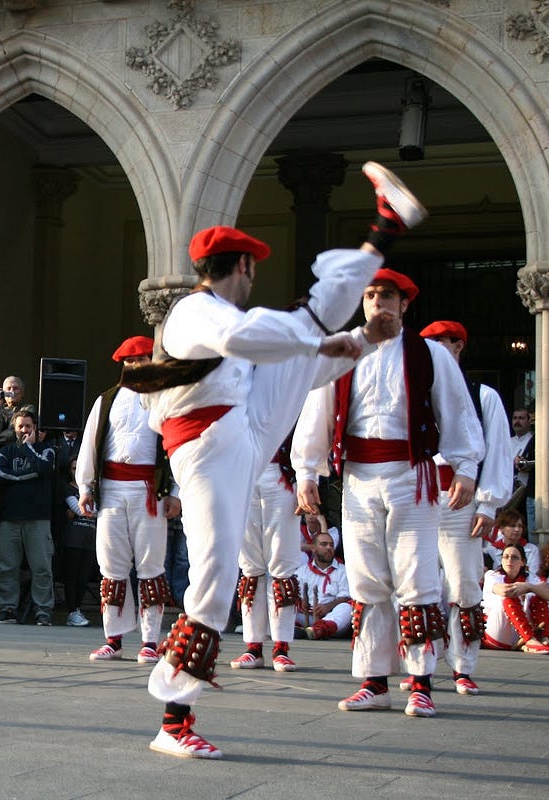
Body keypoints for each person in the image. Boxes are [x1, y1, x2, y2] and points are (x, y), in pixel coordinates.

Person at [126, 161, 422, 759]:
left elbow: (294, 354)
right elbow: (243, 339)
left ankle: (383, 229)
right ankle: (173, 721)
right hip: (208, 449)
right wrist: (318, 343)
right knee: (211, 580)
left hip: (241, 433)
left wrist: (357, 340)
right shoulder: (194, 311)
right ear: (243, 266)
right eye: (252, 270)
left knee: (306, 322)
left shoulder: (234, 318)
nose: (255, 277)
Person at [294, 269, 484, 720]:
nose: (378, 302)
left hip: (411, 475)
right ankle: (374, 682)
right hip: (358, 477)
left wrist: (467, 468)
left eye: (388, 296)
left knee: (417, 575)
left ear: (404, 305)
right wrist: (305, 471)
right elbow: (317, 410)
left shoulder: (431, 354)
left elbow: (456, 414)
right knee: (365, 577)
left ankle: (420, 684)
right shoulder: (344, 352)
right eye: (371, 295)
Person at [407, 320, 512, 696]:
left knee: (464, 581)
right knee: (417, 582)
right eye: (429, 344)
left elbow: (499, 451)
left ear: (459, 347)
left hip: (461, 499)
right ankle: (420, 665)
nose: (436, 351)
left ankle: (463, 666)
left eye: (443, 344)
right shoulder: (412, 396)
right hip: (416, 497)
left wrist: (488, 505)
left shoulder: (482, 396)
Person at [76, 335, 177, 663]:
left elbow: (178, 449)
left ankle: (150, 641)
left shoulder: (166, 399)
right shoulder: (107, 400)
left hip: (149, 491)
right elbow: (91, 444)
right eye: (131, 361)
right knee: (112, 565)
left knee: (151, 566)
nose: (137, 365)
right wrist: (86, 488)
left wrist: (177, 494)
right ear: (123, 365)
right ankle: (114, 639)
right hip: (113, 490)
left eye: (143, 359)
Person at [229, 436, 303, 672]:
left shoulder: (291, 396)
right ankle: (253, 646)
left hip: (282, 471)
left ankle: (281, 647)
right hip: (244, 472)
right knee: (250, 562)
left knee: (282, 559)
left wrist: (308, 477)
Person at [0, 409, 57, 626]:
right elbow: (0, 475)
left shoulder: (47, 451)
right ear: (14, 429)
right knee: (7, 566)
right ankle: (7, 609)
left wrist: (28, 449)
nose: (24, 430)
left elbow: (44, 469)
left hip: (38, 518)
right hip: (10, 517)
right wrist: (29, 477)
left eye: (28, 426)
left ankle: (43, 611)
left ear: (35, 428)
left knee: (41, 567)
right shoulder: (4, 453)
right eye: (20, 426)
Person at [480, 543, 549, 654]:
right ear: (501, 560)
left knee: (539, 597)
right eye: (506, 557)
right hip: (497, 633)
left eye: (514, 557)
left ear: (523, 562)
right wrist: (526, 587)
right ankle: (530, 641)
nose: (509, 560)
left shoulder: (530, 578)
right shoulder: (493, 575)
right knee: (508, 598)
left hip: (519, 632)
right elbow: (503, 591)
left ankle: (544, 639)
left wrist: (529, 586)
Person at [59, 458, 96, 626]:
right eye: (74, 468)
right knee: (71, 576)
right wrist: (88, 510)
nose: (76, 471)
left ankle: (78, 609)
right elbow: (79, 509)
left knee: (83, 577)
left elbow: (98, 510)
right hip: (72, 539)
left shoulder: (95, 490)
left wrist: (87, 511)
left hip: (90, 538)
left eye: (79, 467)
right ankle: (71, 611)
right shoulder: (67, 488)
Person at [295, 531, 352, 639]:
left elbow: (346, 596)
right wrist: (300, 602)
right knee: (285, 606)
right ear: (313, 548)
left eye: (331, 544)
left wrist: (328, 606)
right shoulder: (302, 571)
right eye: (324, 544)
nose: (329, 548)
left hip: (332, 619)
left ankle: (317, 630)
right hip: (308, 618)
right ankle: (306, 631)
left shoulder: (343, 571)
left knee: (347, 607)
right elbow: (293, 594)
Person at [0, 375, 34, 457]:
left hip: (18, 453)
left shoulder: (28, 408)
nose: (12, 392)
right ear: (3, 393)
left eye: (15, 388)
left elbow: (14, 432)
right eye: (8, 389)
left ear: (22, 393)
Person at [485, 509, 540, 577]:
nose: (517, 530)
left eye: (520, 526)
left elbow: (533, 575)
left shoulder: (532, 549)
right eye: (512, 526)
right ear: (502, 529)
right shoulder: (490, 551)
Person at [508, 407, 534, 532]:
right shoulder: (507, 442)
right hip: (508, 491)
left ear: (529, 421)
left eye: (521, 418)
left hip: (525, 490)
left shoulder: (534, 440)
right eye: (515, 418)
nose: (517, 421)